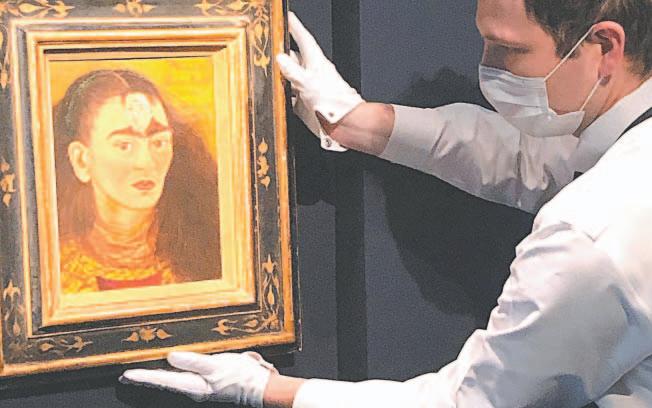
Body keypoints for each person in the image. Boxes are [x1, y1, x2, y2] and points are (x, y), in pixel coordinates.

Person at [120, 0, 652, 407]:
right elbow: (534, 159)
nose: (487, 66)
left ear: (604, 46)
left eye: (509, 50)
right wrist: (358, 121)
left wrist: (268, 391)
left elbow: (470, 402)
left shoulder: (591, 234)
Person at [55, 69, 221, 293]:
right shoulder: (53, 272)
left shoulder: (208, 257)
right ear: (81, 160)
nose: (146, 162)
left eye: (159, 143)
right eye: (124, 145)